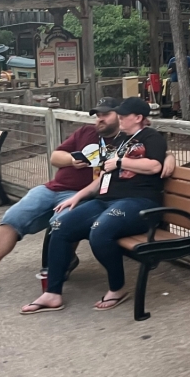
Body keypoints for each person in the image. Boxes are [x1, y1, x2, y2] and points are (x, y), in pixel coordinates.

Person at [0, 96, 122, 296]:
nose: (99, 119)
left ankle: (64, 262)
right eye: (97, 115)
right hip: (52, 188)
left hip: (85, 195)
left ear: (120, 116)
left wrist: (167, 157)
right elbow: (55, 157)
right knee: (14, 217)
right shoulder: (85, 132)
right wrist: (71, 159)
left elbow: (153, 152)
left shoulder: (126, 141)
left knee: (62, 221)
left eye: (105, 115)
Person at [20, 97, 167, 314]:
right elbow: (103, 177)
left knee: (99, 231)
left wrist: (119, 162)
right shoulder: (120, 141)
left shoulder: (151, 137)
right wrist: (78, 196)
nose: (119, 119)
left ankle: (117, 288)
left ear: (138, 118)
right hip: (106, 200)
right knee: (60, 226)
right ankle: (52, 293)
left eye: (123, 116)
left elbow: (155, 166)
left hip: (140, 203)